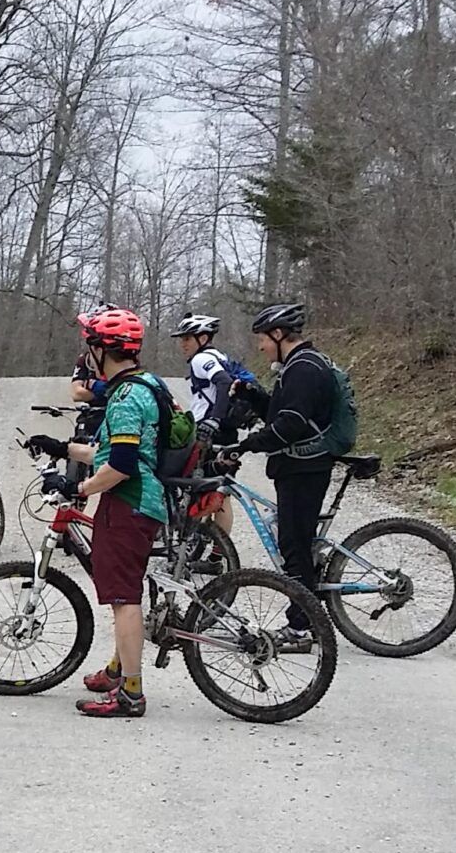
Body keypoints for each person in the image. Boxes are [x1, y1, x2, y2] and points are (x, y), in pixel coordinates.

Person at [22, 308, 169, 719]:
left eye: (90, 344)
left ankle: (131, 695)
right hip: (144, 498)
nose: (85, 353)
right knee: (125, 592)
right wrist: (61, 447)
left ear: (104, 350)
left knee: (124, 599)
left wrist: (78, 487)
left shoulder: (124, 398)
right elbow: (114, 452)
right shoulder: (145, 384)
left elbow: (120, 466)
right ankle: (118, 670)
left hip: (129, 502)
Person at [231, 302, 337, 652]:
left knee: (293, 546)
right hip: (299, 467)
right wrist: (253, 395)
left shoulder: (303, 369)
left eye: (262, 338)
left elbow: (289, 426)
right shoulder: (297, 366)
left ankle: (302, 627)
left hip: (304, 469)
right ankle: (307, 605)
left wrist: (245, 446)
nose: (260, 346)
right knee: (295, 542)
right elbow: (282, 413)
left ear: (278, 335)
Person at [170, 313, 253, 538]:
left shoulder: (201, 359)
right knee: (222, 493)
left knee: (199, 489)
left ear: (203, 338)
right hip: (228, 432)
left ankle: (187, 547)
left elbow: (224, 382)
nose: (182, 344)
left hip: (210, 433)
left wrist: (213, 420)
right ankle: (218, 555)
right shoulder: (220, 356)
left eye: (187, 338)